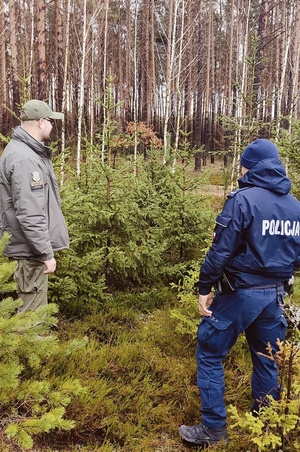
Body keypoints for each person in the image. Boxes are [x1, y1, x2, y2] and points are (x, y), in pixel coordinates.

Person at [178, 138, 300, 447]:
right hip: (275, 297)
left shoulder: (242, 200)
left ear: (251, 166)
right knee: (267, 358)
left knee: (209, 352)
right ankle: (265, 424)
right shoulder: (295, 206)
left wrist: (205, 287)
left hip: (239, 294)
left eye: (243, 164)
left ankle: (213, 428)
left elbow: (220, 252)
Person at [0, 99, 69, 312]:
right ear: (40, 122)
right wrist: (46, 253)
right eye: (50, 121)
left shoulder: (20, 151)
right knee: (33, 318)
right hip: (28, 251)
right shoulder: (26, 159)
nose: (51, 125)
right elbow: (30, 213)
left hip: (25, 248)